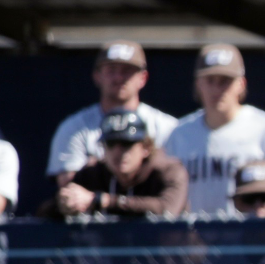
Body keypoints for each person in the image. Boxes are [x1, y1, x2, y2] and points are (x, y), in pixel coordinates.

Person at [161, 44, 265, 215]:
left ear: (241, 84)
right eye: (210, 80)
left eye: (225, 81)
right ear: (198, 84)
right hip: (194, 236)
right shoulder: (179, 134)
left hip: (250, 236)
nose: (216, 89)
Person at [45, 41, 179, 188]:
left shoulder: (168, 127)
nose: (118, 77)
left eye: (127, 70)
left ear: (143, 78)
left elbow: (176, 183)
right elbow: (69, 187)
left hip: (152, 210)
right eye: (111, 70)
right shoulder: (74, 128)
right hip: (95, 210)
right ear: (97, 76)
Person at [36, 111, 187, 220]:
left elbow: (167, 210)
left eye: (127, 144)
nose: (118, 151)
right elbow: (45, 211)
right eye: (111, 144)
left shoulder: (168, 171)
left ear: (146, 148)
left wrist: (104, 201)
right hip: (113, 261)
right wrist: (63, 204)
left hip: (168, 260)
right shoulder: (94, 173)